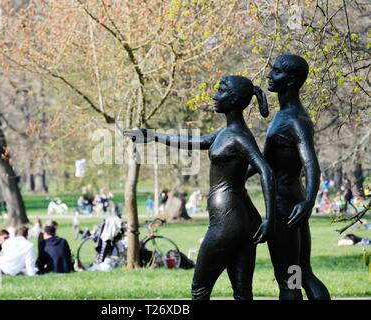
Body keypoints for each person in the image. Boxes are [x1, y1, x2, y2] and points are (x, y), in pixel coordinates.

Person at [125, 75, 275, 300]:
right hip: (243, 219)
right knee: (242, 293)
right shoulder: (228, 133)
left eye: (221, 91)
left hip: (227, 223)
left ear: (234, 100)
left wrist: (270, 219)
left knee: (200, 289)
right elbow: (193, 141)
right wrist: (153, 136)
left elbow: (266, 170)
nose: (215, 96)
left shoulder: (237, 137)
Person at [247, 54, 330, 300]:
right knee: (301, 272)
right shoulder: (284, 115)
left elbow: (311, 164)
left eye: (276, 71)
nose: (269, 75)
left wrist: (308, 202)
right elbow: (265, 161)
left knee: (288, 278)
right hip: (293, 200)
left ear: (291, 80)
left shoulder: (295, 120)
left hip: (286, 206)